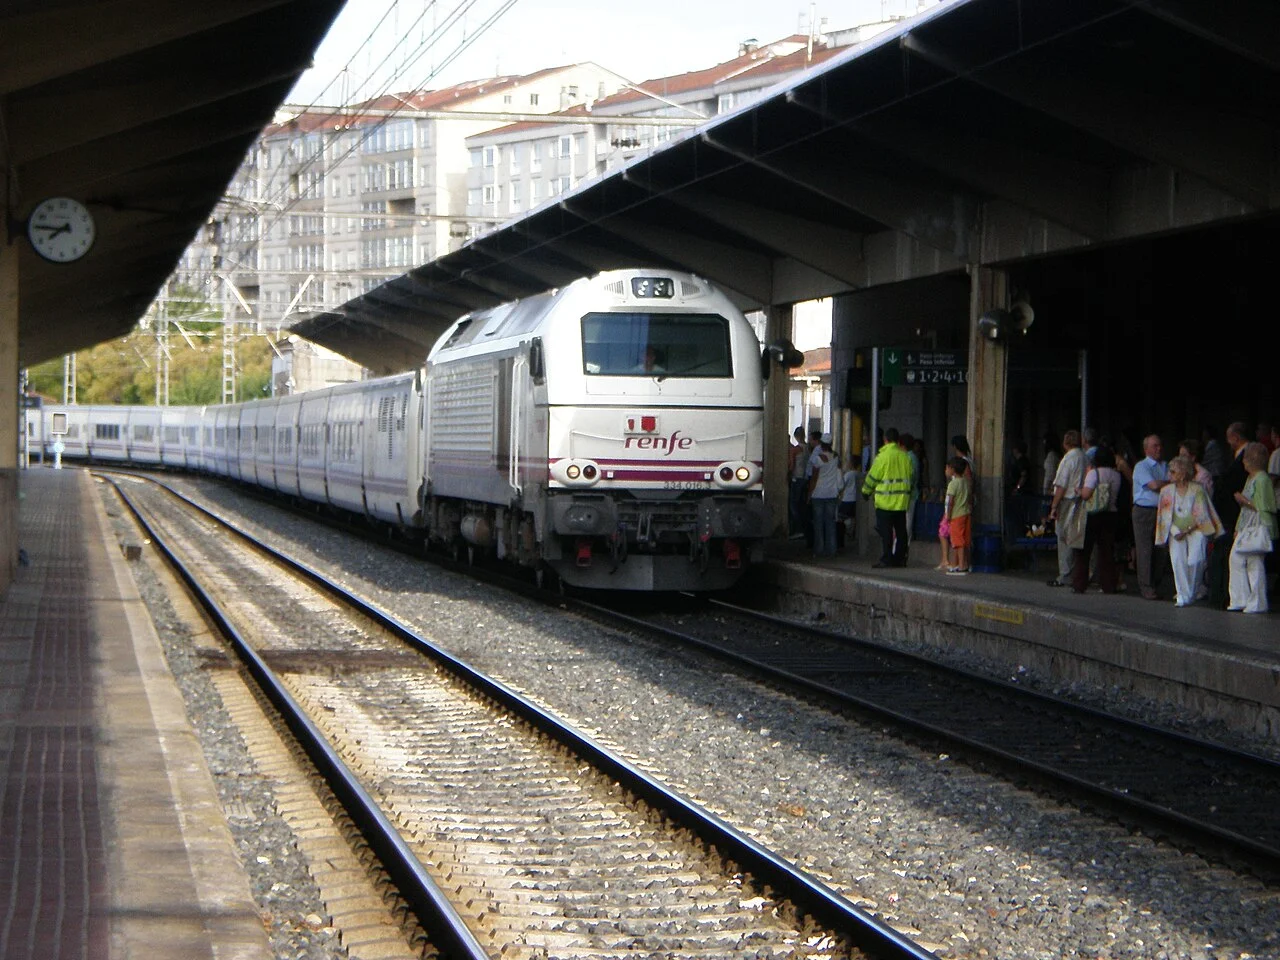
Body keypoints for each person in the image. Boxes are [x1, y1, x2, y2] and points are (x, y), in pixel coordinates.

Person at [1155, 456, 1222, 607]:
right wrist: (1175, 530)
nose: (1169, 475)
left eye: (1173, 472)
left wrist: (1187, 530)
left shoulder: (1197, 489)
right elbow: (1163, 517)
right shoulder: (1165, 491)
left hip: (1196, 529)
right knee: (1178, 561)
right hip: (1175, 531)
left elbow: (1202, 513)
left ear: (1183, 473)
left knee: (1196, 560)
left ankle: (1191, 593)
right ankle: (1182, 595)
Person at [1228, 442, 1277, 614]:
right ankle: (1242, 598)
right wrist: (1238, 527)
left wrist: (1244, 501)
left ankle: (1256, 601)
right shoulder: (1252, 478)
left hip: (1257, 526)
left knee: (1254, 563)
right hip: (1247, 526)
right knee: (1238, 559)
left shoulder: (1262, 479)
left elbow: (1264, 506)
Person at [1072, 444, 1123, 594]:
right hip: (1111, 513)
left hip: (1093, 514)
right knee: (1106, 551)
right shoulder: (1116, 475)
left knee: (1084, 550)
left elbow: (1086, 495)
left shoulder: (1094, 474)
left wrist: (1079, 490)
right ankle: (1108, 584)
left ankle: (1079, 584)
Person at [1209, 422, 1250, 608]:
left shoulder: (1246, 455)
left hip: (1237, 511)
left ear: (1236, 437)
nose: (1227, 442)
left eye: (1229, 437)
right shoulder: (1237, 456)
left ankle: (1231, 596)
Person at [861, 426, 913, 568]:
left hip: (884, 502)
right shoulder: (905, 457)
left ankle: (886, 559)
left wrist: (865, 491)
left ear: (885, 440)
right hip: (901, 502)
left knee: (886, 533)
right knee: (901, 532)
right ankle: (900, 559)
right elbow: (911, 478)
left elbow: (873, 477)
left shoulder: (882, 457)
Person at [1130, 434, 1169, 600]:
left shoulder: (1165, 465)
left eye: (1159, 445)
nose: (1158, 449)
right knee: (1145, 549)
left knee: (1161, 548)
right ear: (1146, 449)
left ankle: (1156, 582)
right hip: (1144, 510)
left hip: (1162, 510)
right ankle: (1146, 586)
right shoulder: (1142, 466)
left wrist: (1164, 483)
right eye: (1155, 446)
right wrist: (1167, 483)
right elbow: (1153, 485)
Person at [1046, 429, 1086, 587]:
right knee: (1077, 537)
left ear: (1065, 443)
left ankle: (1065, 574)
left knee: (1063, 537)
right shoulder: (1084, 457)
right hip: (1082, 500)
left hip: (1068, 500)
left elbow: (1061, 485)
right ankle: (1079, 573)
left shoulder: (1068, 459)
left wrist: (1054, 506)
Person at [807, 433, 842, 559]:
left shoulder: (818, 459)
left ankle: (819, 550)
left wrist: (809, 494)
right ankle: (832, 550)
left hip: (818, 494)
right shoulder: (836, 457)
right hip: (832, 493)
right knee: (830, 523)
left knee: (818, 523)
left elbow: (814, 478)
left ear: (821, 444)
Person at [944, 455, 972, 575]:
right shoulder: (965, 482)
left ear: (952, 470)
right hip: (966, 513)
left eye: (947, 468)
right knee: (965, 540)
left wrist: (948, 516)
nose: (946, 470)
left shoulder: (953, 484)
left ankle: (961, 566)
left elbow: (950, 502)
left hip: (956, 515)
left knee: (957, 541)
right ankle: (963, 563)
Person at [787, 426, 809, 538]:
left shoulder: (794, 450)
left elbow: (791, 466)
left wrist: (787, 475)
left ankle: (797, 529)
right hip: (805, 478)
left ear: (795, 436)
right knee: (802, 504)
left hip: (796, 478)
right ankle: (804, 529)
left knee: (792, 505)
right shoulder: (808, 448)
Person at [837, 456, 860, 550]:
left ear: (850, 463)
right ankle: (852, 534)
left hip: (846, 499)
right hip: (855, 499)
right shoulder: (859, 474)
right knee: (854, 518)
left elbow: (841, 485)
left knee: (840, 518)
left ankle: (841, 538)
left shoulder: (848, 475)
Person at [901, 432, 920, 543]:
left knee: (907, 521)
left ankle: (905, 543)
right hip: (909, 493)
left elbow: (911, 477)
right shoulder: (912, 457)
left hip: (909, 494)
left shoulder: (909, 458)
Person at [1041, 431, 1060, 496]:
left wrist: (1048, 489)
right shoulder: (1055, 455)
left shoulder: (1052, 456)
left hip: (1050, 489)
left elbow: (1050, 475)